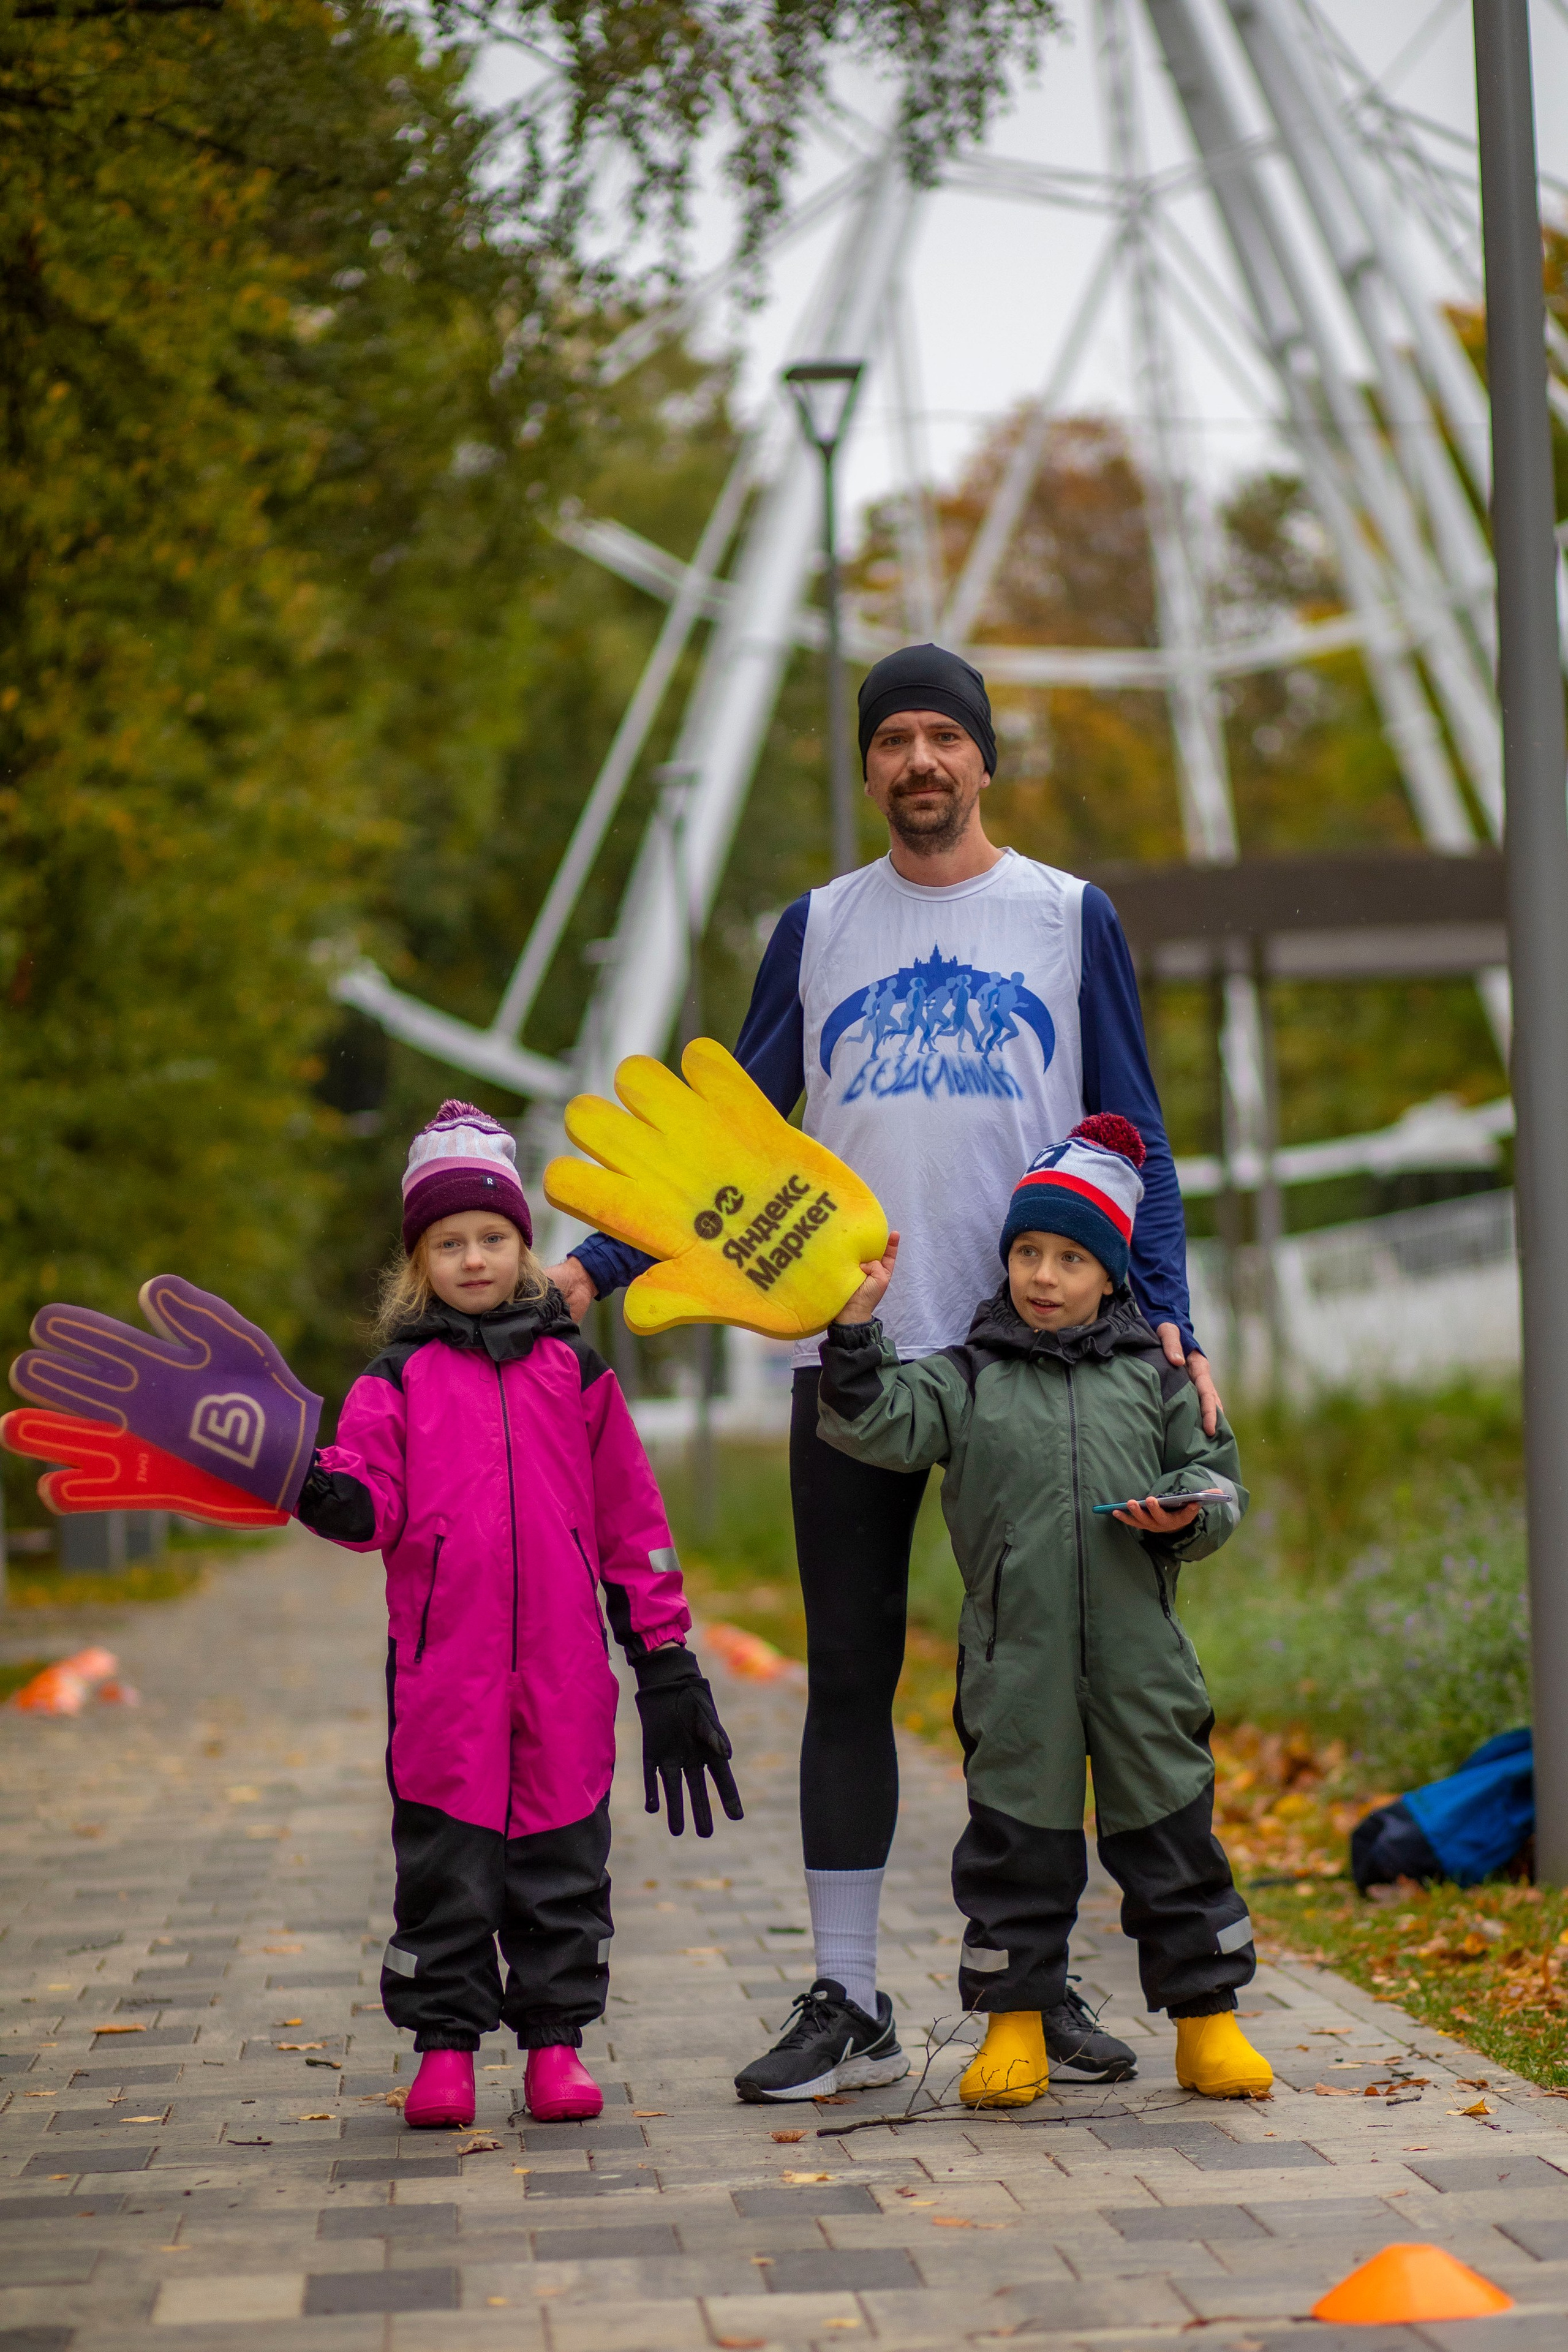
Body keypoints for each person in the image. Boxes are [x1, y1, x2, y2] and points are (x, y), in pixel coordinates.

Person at [548, 643, 1218, 2101]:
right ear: (866, 767)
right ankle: (844, 1996)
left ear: (982, 759)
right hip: (853, 1358)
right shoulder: (818, 927)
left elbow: (1133, 1131)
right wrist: (582, 1273)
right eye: (892, 740)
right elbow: (722, 1146)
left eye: (943, 738)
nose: (919, 761)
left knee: (1032, 1688)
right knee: (847, 1676)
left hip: (1031, 1366)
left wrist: (1172, 1318)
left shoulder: (1063, 914)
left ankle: (1026, 1993)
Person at [296, 1099, 743, 2129]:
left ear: (524, 1248)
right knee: (446, 1870)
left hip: (564, 1674)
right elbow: (370, 1503)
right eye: (449, 1243)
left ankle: (554, 2045)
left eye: (493, 1237)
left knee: (559, 1865)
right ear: (419, 1262)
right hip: (443, 1676)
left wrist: (664, 1659)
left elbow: (635, 1521)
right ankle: (444, 2051)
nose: (474, 1257)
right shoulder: (393, 1380)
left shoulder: (573, 1372)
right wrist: (316, 1488)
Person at [816, 1117, 1269, 2105]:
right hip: (1014, 1659)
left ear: (1111, 1275)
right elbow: (870, 1421)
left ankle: (1209, 2025)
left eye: (1071, 1257)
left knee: (1173, 1844)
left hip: (1142, 1658)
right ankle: (1015, 2026)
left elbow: (1217, 1481)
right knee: (1017, 1851)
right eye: (1028, 1252)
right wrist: (853, 1331)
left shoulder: (1157, 1377)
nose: (1045, 1275)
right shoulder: (967, 1377)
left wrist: (1180, 1517)